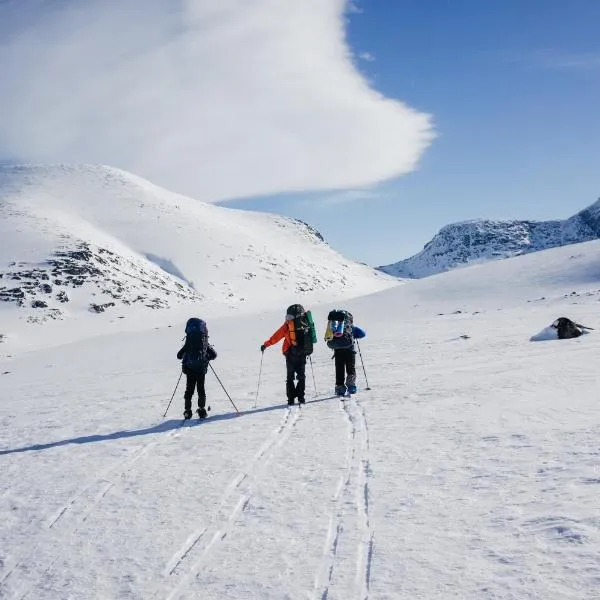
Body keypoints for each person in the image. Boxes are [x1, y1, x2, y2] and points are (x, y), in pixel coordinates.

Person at [261, 304, 316, 405]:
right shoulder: (305, 322)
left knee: (290, 377)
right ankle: (301, 397)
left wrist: (265, 345)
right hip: (303, 353)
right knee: (301, 375)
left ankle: (291, 399)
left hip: (290, 353)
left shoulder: (288, 325)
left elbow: (276, 337)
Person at [177, 318, 217, 419]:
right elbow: (214, 355)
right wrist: (206, 358)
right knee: (201, 389)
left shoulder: (189, 342)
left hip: (189, 368)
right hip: (201, 368)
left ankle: (187, 411)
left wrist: (186, 354)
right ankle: (202, 410)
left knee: (189, 390)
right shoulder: (204, 342)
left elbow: (179, 355)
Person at [324, 309, 365, 396]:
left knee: (339, 369)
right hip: (350, 351)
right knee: (351, 368)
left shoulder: (334, 327)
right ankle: (351, 386)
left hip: (338, 351)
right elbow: (362, 334)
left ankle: (340, 388)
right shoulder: (350, 327)